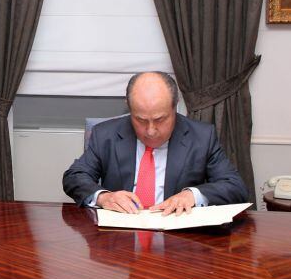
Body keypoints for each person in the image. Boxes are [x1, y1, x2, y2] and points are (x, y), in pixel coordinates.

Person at [62, 71, 249, 216]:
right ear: (129, 107)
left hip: (179, 243)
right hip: (119, 240)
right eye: (141, 120)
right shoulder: (106, 134)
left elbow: (235, 186)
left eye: (160, 119)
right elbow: (74, 177)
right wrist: (104, 197)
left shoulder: (201, 136)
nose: (150, 131)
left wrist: (192, 195)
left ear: (175, 106)